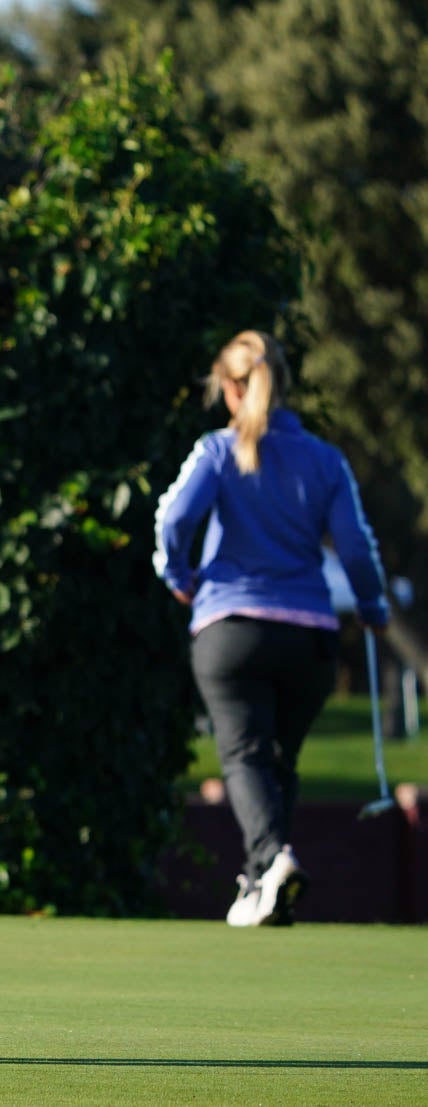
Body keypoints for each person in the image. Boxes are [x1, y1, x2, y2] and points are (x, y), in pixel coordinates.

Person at [154, 330, 386, 927]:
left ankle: (271, 861)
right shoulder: (326, 459)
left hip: (231, 629)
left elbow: (173, 520)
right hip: (309, 637)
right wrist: (373, 606)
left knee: (245, 756)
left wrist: (178, 575)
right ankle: (262, 885)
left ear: (231, 390)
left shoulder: (215, 450)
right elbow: (357, 550)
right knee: (278, 762)